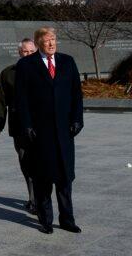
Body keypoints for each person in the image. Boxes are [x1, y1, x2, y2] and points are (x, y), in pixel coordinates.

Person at [16, 27, 84, 234]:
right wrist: (26, 125)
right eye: (47, 41)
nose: (52, 43)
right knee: (43, 178)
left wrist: (77, 119)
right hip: (40, 133)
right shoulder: (26, 65)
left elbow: (76, 94)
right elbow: (21, 99)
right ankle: (45, 219)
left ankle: (67, 219)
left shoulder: (67, 62)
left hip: (64, 132)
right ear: (38, 43)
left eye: (54, 39)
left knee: (64, 179)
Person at [0, 37, 38, 212]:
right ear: (19, 53)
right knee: (26, 162)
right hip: (19, 127)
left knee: (41, 164)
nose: (27, 54)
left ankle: (41, 198)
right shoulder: (8, 73)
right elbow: (0, 99)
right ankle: (33, 199)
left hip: (42, 126)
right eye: (24, 51)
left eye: (31, 52)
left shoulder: (45, 70)